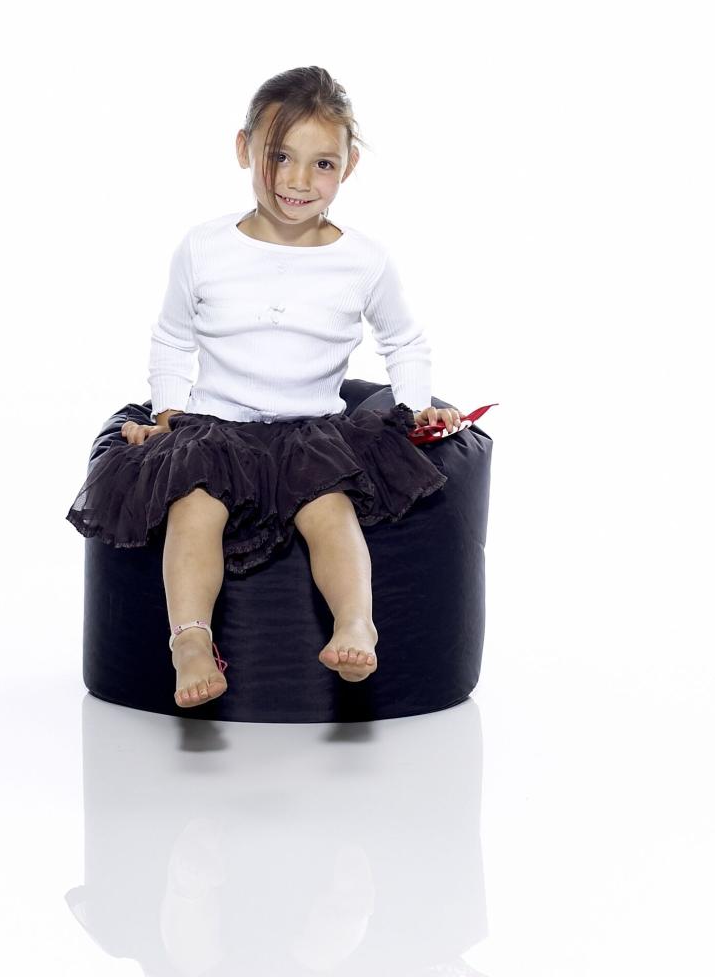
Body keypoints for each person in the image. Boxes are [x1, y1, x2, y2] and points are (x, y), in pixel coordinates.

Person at [66, 66, 465, 711]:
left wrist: (416, 406)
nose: (298, 180)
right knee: (193, 510)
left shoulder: (363, 260)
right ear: (244, 148)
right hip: (215, 428)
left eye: (322, 163)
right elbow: (172, 339)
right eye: (280, 156)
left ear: (349, 166)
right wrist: (167, 412)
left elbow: (405, 342)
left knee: (331, 511)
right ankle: (190, 640)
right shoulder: (204, 248)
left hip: (311, 430)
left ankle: (355, 624)